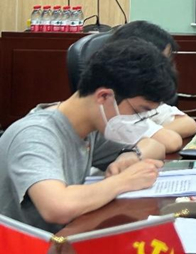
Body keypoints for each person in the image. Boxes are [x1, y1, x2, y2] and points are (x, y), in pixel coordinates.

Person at [0, 38, 176, 231]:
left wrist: (131, 155)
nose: (140, 121)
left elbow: (156, 146)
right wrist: (124, 181)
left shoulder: (91, 128)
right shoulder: (35, 134)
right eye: (138, 111)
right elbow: (57, 207)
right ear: (104, 96)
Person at [106, 21, 196, 152]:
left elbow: (188, 123)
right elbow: (172, 141)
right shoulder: (120, 102)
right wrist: (155, 134)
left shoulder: (142, 96)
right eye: (162, 62)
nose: (166, 69)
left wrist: (153, 133)